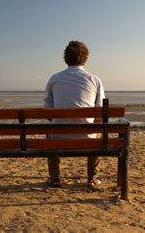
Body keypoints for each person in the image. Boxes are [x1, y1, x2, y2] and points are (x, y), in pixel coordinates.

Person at [44, 40, 105, 188]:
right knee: (98, 132)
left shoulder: (54, 79)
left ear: (66, 58)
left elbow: (47, 111)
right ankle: (92, 178)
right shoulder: (95, 80)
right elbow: (100, 113)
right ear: (85, 58)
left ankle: (55, 177)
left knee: (48, 133)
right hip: (87, 138)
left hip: (59, 136)